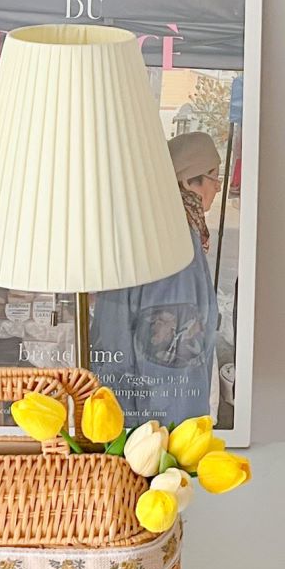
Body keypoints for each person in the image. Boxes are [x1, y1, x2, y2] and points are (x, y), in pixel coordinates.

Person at [91, 131, 221, 424]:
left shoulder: (142, 224)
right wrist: (176, 437)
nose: (217, 186)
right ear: (187, 181)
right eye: (213, 176)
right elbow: (173, 355)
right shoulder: (175, 239)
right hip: (157, 424)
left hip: (121, 410)